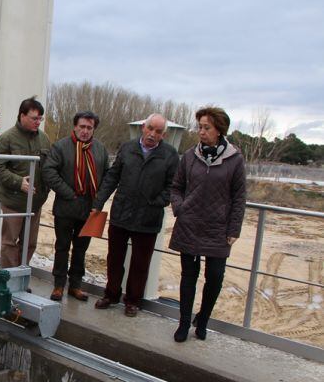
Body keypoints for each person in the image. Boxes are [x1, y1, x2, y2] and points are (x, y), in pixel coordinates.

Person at [170, 107, 246, 342]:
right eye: (199, 127)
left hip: (218, 228)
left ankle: (202, 319)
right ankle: (183, 323)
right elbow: (176, 186)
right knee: (188, 276)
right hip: (189, 225)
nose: (201, 132)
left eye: (206, 128)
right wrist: (180, 208)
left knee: (215, 276)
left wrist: (234, 228)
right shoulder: (190, 156)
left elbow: (239, 196)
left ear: (219, 130)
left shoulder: (234, 159)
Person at [92, 113, 179, 317]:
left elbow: (173, 186)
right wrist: (99, 202)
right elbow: (113, 176)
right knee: (114, 259)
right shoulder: (127, 148)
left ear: (163, 135)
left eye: (158, 131)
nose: (152, 134)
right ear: (143, 128)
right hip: (121, 213)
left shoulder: (170, 155)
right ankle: (111, 294)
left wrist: (156, 202)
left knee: (140, 263)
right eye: (150, 128)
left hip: (148, 219)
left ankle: (133, 301)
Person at [42, 111, 109, 302]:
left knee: (81, 249)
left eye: (89, 127)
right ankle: (58, 285)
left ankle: (76, 285)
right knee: (62, 246)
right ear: (75, 126)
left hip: (90, 209)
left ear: (94, 129)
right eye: (82, 127)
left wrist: (99, 202)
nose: (85, 131)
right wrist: (68, 193)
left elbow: (108, 177)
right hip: (66, 206)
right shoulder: (61, 146)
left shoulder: (100, 150)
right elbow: (49, 171)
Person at [0, 96, 51, 268]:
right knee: (9, 243)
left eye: (40, 118)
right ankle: (9, 279)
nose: (38, 122)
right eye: (34, 118)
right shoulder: (7, 138)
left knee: (29, 243)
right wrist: (18, 182)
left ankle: (21, 275)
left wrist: (48, 187)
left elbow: (50, 165)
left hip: (36, 202)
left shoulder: (44, 138)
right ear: (22, 116)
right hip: (13, 201)